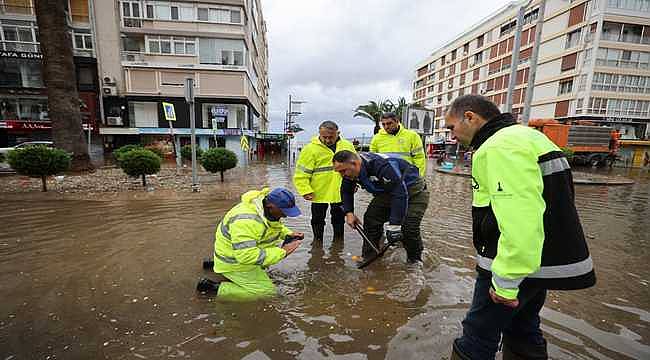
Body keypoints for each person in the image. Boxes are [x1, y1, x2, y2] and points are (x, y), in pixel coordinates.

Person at [445, 95, 596, 360]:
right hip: (537, 263)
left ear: (470, 117)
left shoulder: (498, 147)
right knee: (523, 328)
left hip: (511, 265)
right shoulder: (529, 137)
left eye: (451, 127)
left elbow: (520, 218)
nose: (451, 135)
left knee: (477, 335)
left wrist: (505, 282)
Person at [197, 187, 304, 301]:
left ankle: (215, 264)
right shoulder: (246, 221)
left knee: (264, 261)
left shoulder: (263, 210)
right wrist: (283, 252)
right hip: (236, 262)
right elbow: (246, 256)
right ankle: (212, 287)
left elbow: (272, 226)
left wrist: (288, 234)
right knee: (267, 292)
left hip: (232, 253)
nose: (285, 216)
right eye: (284, 212)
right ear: (270, 207)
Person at [332, 150, 429, 264]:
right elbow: (346, 191)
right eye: (339, 172)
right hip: (387, 193)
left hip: (414, 193)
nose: (342, 175)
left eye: (343, 171)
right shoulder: (350, 172)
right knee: (371, 219)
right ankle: (370, 256)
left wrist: (394, 226)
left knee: (409, 228)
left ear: (355, 163)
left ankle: (415, 261)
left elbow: (400, 193)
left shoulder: (382, 165)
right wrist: (349, 213)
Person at [293, 121, 357, 242]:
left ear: (338, 133)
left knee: (339, 219)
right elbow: (301, 173)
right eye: (324, 137)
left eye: (331, 137)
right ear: (319, 134)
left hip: (340, 191)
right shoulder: (310, 149)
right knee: (317, 219)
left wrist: (355, 184)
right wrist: (305, 190)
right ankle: (317, 242)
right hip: (318, 192)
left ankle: (338, 244)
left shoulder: (347, 146)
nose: (327, 140)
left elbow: (356, 167)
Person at [370, 112, 426, 176]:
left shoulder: (412, 136)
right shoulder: (376, 138)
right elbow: (373, 160)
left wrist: (419, 176)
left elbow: (419, 158)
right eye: (383, 124)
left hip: (407, 175)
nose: (386, 127)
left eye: (389, 123)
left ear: (397, 121)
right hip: (386, 176)